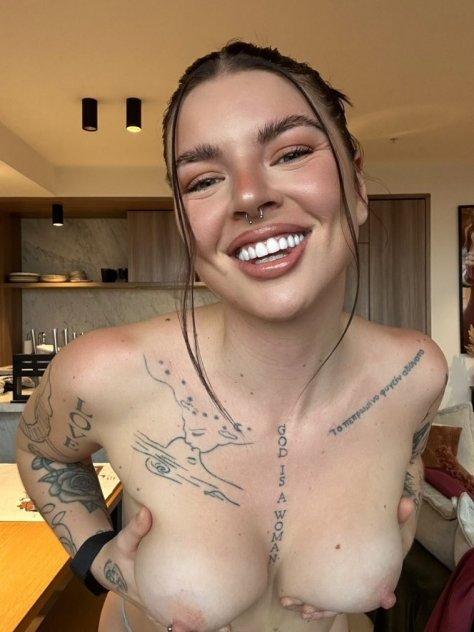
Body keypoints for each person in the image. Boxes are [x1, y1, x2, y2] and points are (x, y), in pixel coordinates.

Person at [16, 41, 448, 632]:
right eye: (203, 180)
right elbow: (40, 450)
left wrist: (394, 530)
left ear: (358, 183)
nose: (249, 196)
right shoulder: (102, 371)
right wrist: (95, 557)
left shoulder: (415, 372)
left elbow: (409, 455)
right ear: (185, 225)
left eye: (291, 152)